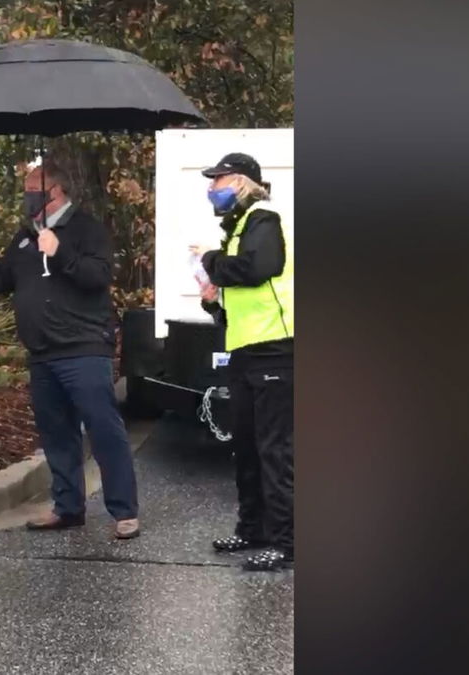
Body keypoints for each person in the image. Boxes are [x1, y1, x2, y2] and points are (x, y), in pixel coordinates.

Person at [0, 160, 141, 539]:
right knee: (56, 434)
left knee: (103, 431)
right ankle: (68, 507)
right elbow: (4, 280)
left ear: (55, 192)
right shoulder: (25, 236)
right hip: (42, 353)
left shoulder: (86, 229)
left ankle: (124, 511)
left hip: (83, 349)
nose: (26, 196)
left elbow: (99, 276)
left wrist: (60, 253)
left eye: (32, 189)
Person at [191, 152, 294, 571]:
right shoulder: (239, 229)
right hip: (246, 350)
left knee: (275, 451)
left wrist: (211, 261)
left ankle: (288, 544)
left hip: (276, 350)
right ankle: (252, 528)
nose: (213, 188)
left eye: (219, 180)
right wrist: (213, 302)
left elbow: (260, 268)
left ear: (242, 182)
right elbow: (241, 298)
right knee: (247, 446)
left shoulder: (264, 218)